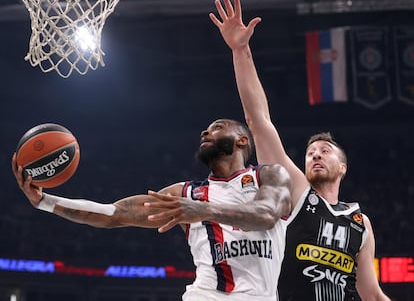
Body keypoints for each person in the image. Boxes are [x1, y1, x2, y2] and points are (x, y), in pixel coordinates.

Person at [210, 0, 391, 301]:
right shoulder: (297, 192)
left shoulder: (361, 223)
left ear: (343, 168)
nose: (316, 154)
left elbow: (372, 294)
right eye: (310, 153)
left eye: (325, 151)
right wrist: (241, 50)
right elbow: (259, 121)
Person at [12, 118, 291, 301]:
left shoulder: (270, 176)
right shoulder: (184, 195)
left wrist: (205, 211)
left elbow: (266, 215)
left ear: (242, 140)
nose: (205, 131)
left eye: (217, 127)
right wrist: (44, 201)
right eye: (205, 129)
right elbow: (114, 214)